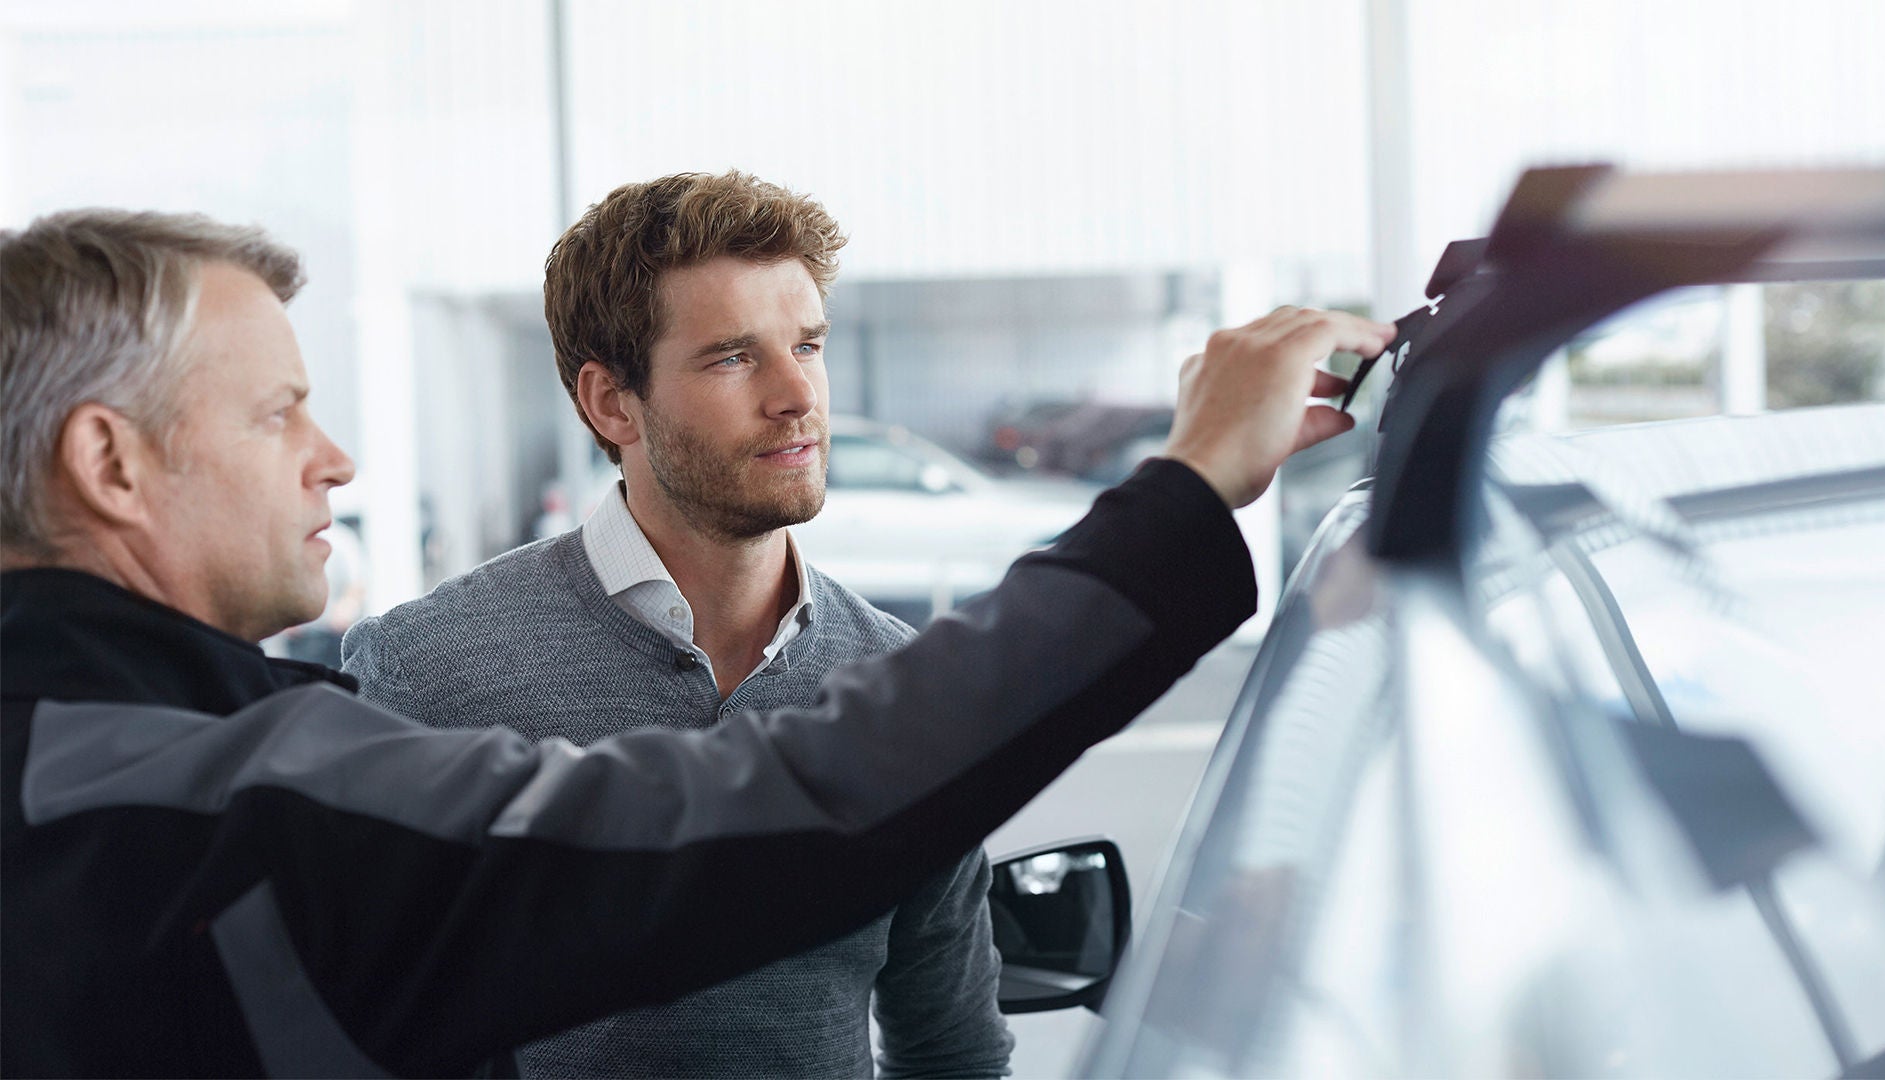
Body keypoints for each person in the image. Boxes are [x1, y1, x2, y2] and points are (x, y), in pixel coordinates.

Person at [0, 208, 1392, 1078]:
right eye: (276, 412)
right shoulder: (211, 788)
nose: (338, 459)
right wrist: (1188, 490)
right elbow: (789, 806)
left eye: (811, 344)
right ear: (111, 465)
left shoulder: (154, 755)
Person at [344, 173, 1012, 1078]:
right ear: (612, 402)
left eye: (807, 345)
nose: (797, 396)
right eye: (734, 357)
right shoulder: (424, 672)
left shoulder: (908, 689)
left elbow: (952, 1049)